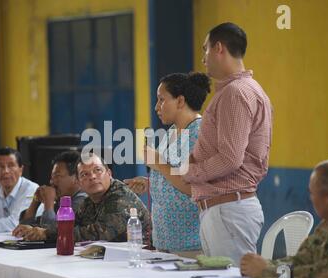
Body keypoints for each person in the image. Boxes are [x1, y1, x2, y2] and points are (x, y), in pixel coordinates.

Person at [181, 22, 272, 264]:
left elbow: (230, 158)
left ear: (219, 48)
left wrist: (191, 172)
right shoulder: (241, 90)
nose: (203, 59)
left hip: (228, 209)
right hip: (224, 210)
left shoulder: (236, 93)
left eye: (205, 50)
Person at [124, 72, 210, 258]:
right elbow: (172, 174)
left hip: (190, 243)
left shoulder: (199, 132)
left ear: (180, 101)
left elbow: (192, 187)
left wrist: (158, 163)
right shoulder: (172, 131)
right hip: (165, 240)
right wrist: (150, 182)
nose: (156, 107)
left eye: (161, 100)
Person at [240, 159, 328, 278]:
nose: (310, 198)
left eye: (312, 193)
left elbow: (324, 276)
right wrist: (266, 265)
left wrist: (267, 271)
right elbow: (303, 258)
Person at [16, 153, 151, 244]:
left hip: (141, 259)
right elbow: (70, 224)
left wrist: (46, 233)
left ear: (109, 174)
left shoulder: (120, 196)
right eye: (84, 174)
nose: (92, 177)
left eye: (97, 170)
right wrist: (34, 229)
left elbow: (99, 233)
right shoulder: (88, 202)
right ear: (79, 183)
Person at [12, 150, 87, 237]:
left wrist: (49, 203)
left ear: (76, 178)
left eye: (57, 176)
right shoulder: (62, 199)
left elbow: (52, 233)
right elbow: (26, 227)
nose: (51, 182)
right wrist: (35, 201)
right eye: (52, 177)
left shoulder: (83, 200)